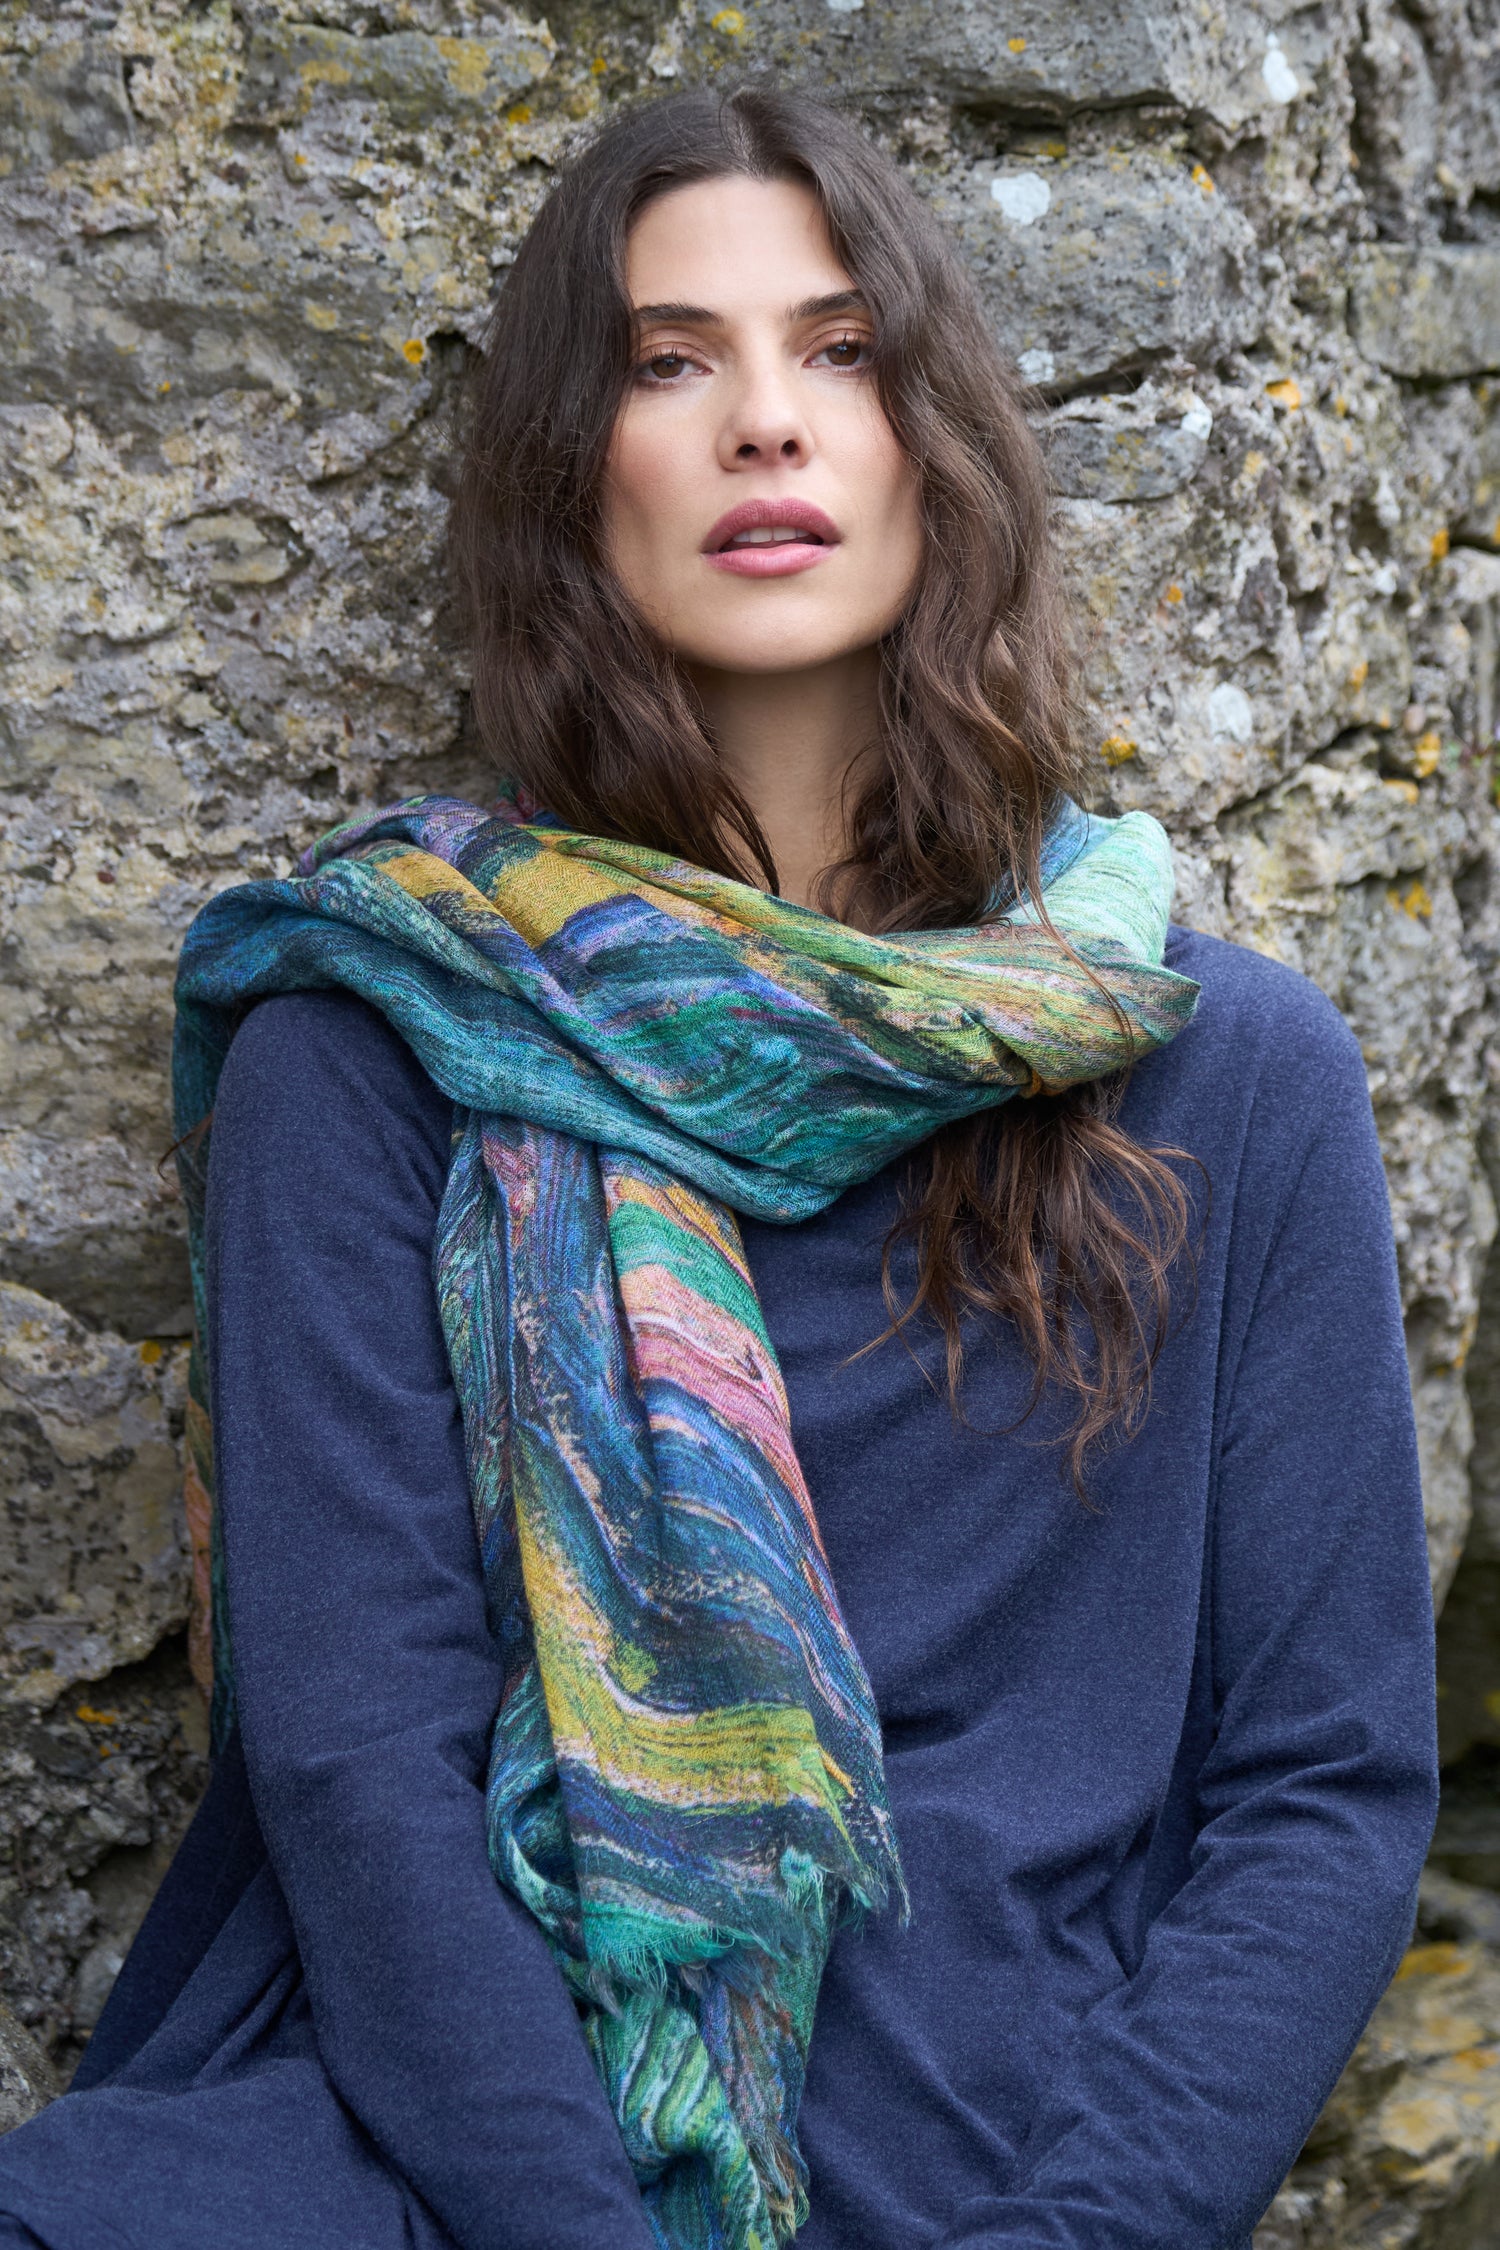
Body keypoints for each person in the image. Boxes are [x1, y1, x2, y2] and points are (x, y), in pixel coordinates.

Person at [0, 81, 1437, 2250]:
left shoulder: (1224, 1077)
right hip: (445, 2162)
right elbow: (354, 1769)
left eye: (841, 351)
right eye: (673, 361)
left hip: (1003, 2176)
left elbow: (1324, 1797)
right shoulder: (371, 1045)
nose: (767, 419)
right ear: (574, 478)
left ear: (937, 445)